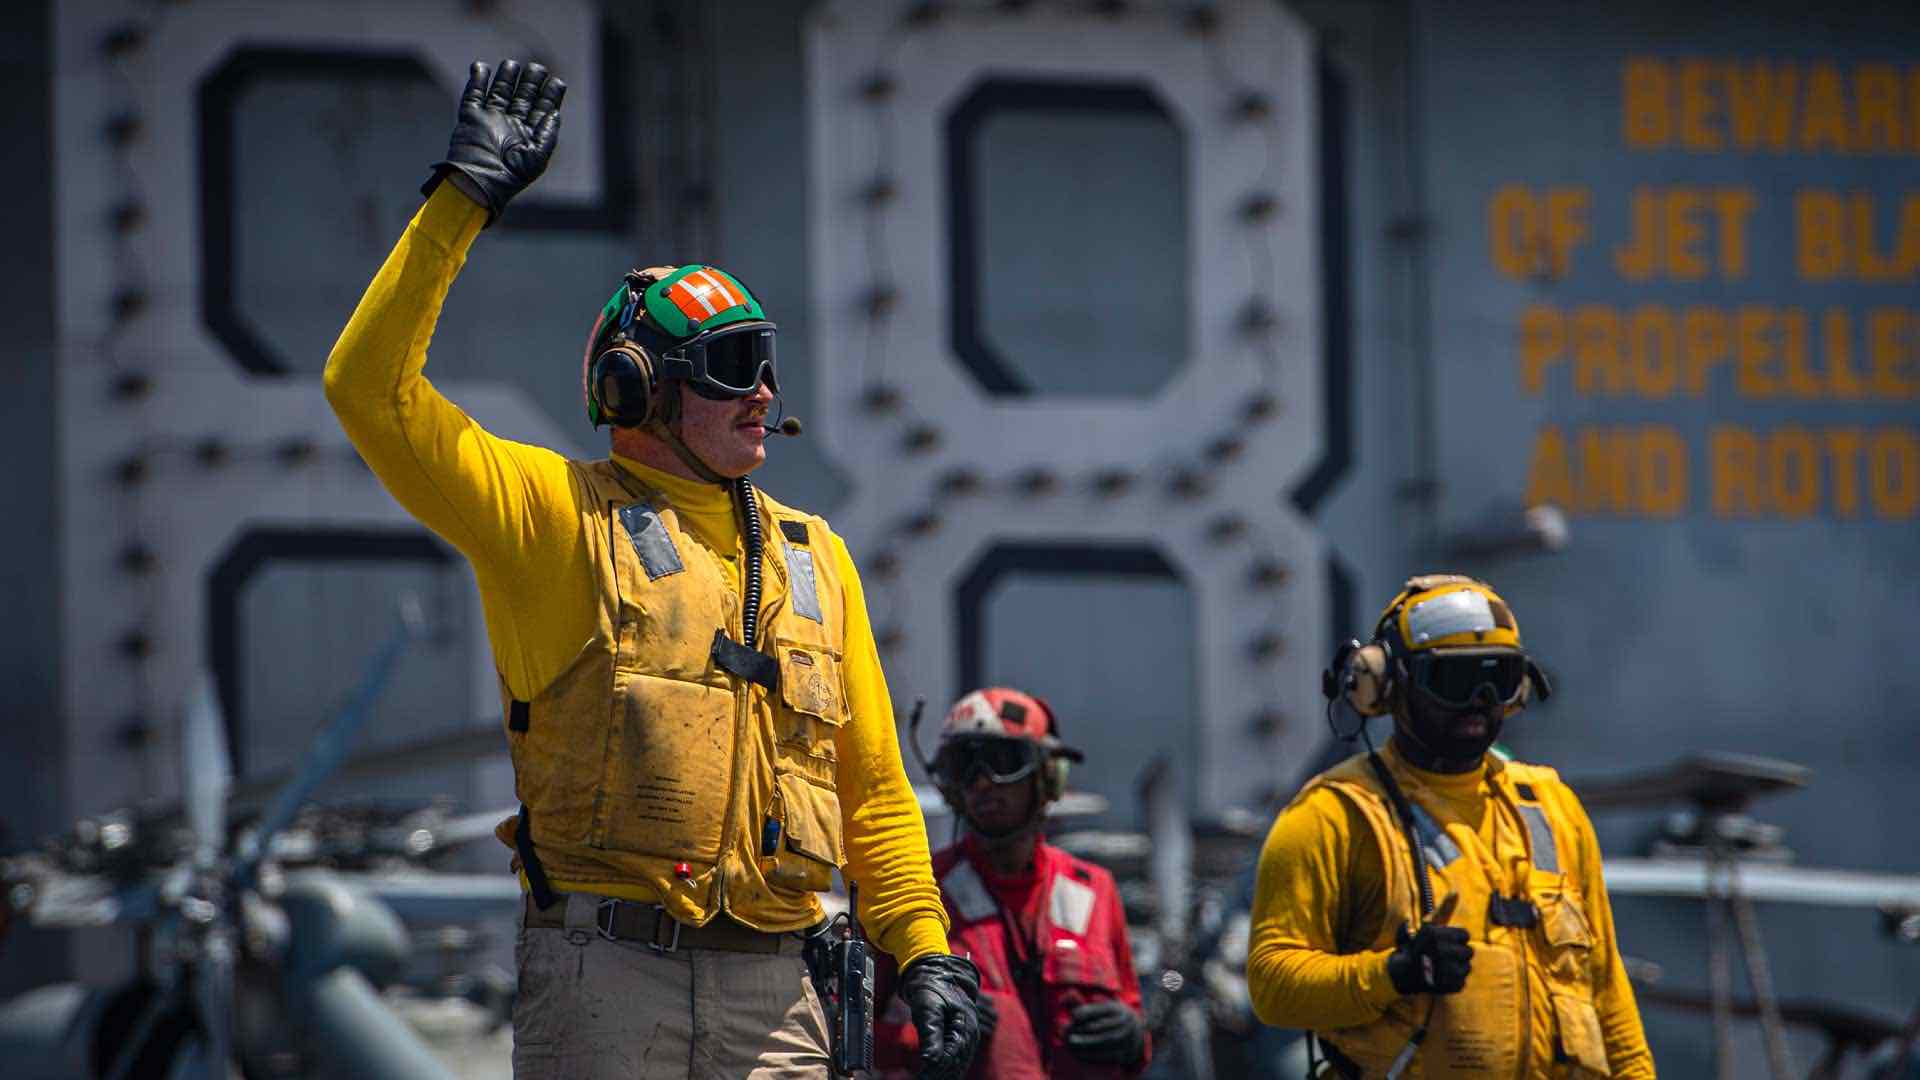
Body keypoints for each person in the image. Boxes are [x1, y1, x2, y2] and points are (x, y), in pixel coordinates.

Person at [323, 58, 981, 1078]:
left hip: (777, 995)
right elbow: (368, 388)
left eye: (766, 363)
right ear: (639, 390)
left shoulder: (818, 558)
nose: (762, 393)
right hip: (604, 982)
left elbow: (877, 795)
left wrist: (927, 954)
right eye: (729, 368)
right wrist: (462, 202)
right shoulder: (553, 518)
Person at [1246, 574, 1655, 1078]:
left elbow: (1607, 992)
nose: (1481, 701)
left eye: (1498, 679)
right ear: (1386, 685)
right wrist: (1393, 973)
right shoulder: (1334, 816)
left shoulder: (1552, 807)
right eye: (1455, 681)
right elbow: (1272, 987)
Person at [873, 687, 1152, 1078]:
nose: (982, 783)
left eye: (1002, 761)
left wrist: (1135, 1036)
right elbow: (852, 1031)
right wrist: (918, 1039)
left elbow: (1134, 1015)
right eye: (964, 766)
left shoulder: (1094, 890)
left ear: (1047, 777)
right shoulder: (915, 892)